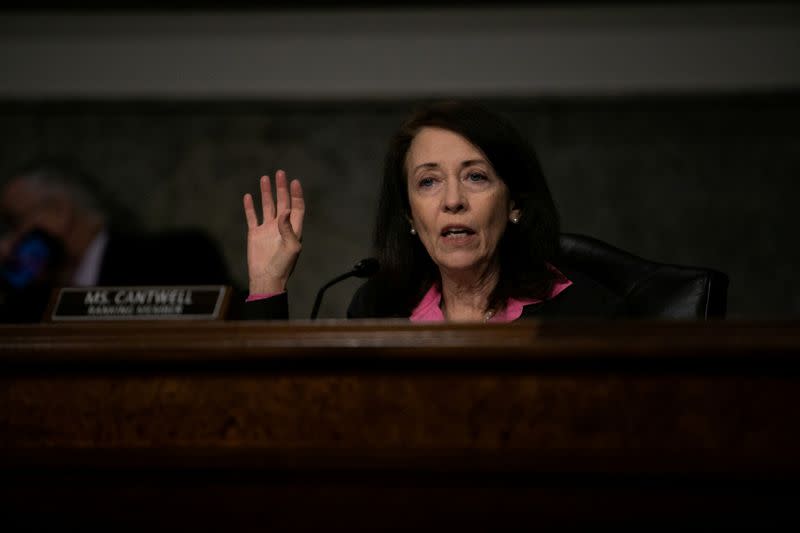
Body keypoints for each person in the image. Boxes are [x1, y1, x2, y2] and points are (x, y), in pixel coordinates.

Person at [243, 100, 622, 321]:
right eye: (428, 182)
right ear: (409, 215)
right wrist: (267, 285)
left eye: (476, 177)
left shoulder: (584, 311)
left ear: (514, 204)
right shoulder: (378, 308)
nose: (452, 200)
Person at [0, 155, 238, 322]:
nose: (5, 247)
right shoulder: (26, 301)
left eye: (14, 223)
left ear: (58, 212)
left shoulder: (181, 258)